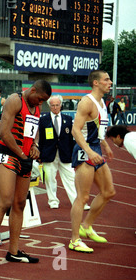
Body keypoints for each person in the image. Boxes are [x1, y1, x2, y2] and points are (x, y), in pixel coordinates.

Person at [0, 80, 52, 268]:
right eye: (40, 99)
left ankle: (13, 251)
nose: (40, 103)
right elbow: (4, 133)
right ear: (33, 90)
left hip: (25, 158)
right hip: (8, 155)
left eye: (44, 101)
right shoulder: (14, 100)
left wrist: (35, 146)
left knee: (20, 204)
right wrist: (22, 155)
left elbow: (33, 131)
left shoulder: (35, 107)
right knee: (5, 202)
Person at [69, 70, 116, 253]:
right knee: (83, 197)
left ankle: (86, 226)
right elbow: (76, 130)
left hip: (95, 148)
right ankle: (74, 240)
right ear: (96, 83)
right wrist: (88, 151)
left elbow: (96, 128)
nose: (110, 82)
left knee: (108, 191)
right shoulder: (87, 102)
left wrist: (105, 145)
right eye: (106, 79)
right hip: (84, 150)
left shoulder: (102, 102)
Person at [39, 95, 82, 209]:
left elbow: (71, 138)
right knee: (50, 179)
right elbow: (41, 139)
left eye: (57, 105)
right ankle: (53, 201)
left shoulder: (68, 119)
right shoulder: (43, 120)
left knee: (71, 178)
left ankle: (76, 201)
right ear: (49, 106)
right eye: (52, 105)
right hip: (49, 154)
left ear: (61, 105)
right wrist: (40, 155)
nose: (55, 107)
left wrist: (74, 154)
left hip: (65, 153)